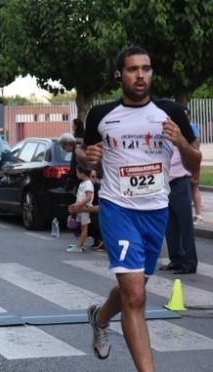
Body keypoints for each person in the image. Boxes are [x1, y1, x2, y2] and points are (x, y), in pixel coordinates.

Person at [81, 46, 201, 371]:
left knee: (134, 289)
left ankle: (100, 317)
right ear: (119, 74)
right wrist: (88, 158)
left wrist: (180, 143)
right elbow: (84, 154)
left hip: (155, 210)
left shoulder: (170, 112)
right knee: (135, 295)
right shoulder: (100, 115)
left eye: (146, 69)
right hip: (117, 207)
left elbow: (195, 163)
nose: (140, 75)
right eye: (133, 69)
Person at [162, 121, 198, 274]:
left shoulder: (182, 137)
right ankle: (175, 259)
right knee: (170, 225)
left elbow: (194, 152)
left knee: (185, 225)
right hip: (165, 184)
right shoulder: (162, 138)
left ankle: (190, 262)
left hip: (180, 181)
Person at [67, 164, 94, 252]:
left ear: (82, 173)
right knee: (81, 227)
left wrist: (79, 205)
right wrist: (75, 205)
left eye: (77, 172)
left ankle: (79, 246)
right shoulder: (83, 183)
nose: (76, 174)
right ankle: (79, 244)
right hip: (80, 208)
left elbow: (88, 197)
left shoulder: (88, 184)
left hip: (84, 209)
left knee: (84, 227)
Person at [185, 108, 204, 224]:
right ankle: (195, 214)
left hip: (191, 162)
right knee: (191, 188)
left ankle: (198, 214)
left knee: (193, 186)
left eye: (186, 115)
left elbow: (196, 144)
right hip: (185, 162)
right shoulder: (179, 128)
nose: (185, 117)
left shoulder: (191, 127)